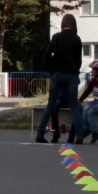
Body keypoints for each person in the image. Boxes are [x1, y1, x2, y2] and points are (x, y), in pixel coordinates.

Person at [35, 14, 83, 144]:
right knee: (74, 106)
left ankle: (40, 135)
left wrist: (50, 70)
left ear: (63, 23)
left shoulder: (56, 37)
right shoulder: (76, 39)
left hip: (56, 75)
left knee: (50, 105)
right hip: (72, 75)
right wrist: (75, 71)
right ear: (74, 24)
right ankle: (79, 136)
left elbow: (47, 55)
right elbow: (79, 60)